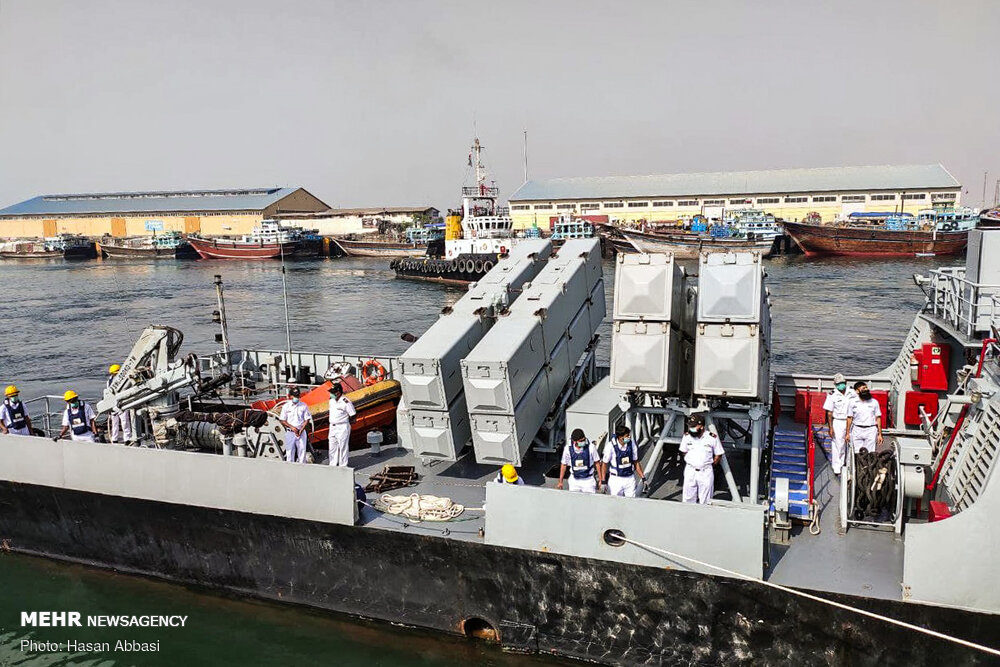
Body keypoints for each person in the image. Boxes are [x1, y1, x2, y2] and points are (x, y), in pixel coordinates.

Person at [678, 414, 724, 504]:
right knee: (688, 498)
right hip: (690, 470)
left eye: (693, 426)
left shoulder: (712, 437)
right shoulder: (687, 437)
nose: (691, 428)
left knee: (705, 500)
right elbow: (684, 451)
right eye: (690, 426)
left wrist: (709, 465)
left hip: (705, 472)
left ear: (702, 426)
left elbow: (718, 454)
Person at [822, 373, 856, 475]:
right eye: (838, 384)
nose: (840, 385)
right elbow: (829, 412)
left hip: (852, 420)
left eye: (842, 383)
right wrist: (830, 427)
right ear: (835, 384)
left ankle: (848, 464)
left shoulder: (852, 392)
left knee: (852, 443)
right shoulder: (832, 395)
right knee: (839, 444)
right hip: (839, 421)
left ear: (845, 382)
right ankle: (837, 466)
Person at [601, 424, 646, 497]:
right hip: (616, 480)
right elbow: (604, 464)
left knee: (631, 501)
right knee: (615, 501)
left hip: (629, 479)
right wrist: (603, 481)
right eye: (627, 436)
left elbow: (636, 462)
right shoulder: (610, 446)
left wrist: (643, 478)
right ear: (620, 437)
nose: (629, 437)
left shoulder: (632, 444)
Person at [557, 428, 602, 493]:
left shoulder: (591, 447)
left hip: (588, 481)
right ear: (575, 441)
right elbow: (564, 464)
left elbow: (597, 463)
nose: (583, 442)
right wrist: (560, 481)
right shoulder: (567, 449)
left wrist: (600, 480)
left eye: (584, 440)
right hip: (574, 481)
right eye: (581, 441)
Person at [278, 386, 313, 463]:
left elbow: (307, 419)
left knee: (302, 453)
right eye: (295, 396)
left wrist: (301, 429)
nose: (296, 398)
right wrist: (292, 427)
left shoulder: (303, 405)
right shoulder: (286, 406)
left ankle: (302, 468)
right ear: (290, 396)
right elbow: (282, 420)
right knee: (289, 453)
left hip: (301, 432)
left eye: (297, 396)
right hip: (290, 432)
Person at [846, 381, 883, 453]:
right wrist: (847, 433)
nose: (866, 389)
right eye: (863, 388)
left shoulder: (874, 402)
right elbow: (849, 418)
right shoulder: (852, 402)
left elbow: (878, 418)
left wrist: (880, 434)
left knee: (870, 453)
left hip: (871, 430)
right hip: (857, 430)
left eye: (866, 388)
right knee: (857, 453)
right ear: (857, 391)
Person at [327, 382, 356, 466]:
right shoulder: (331, 401)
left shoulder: (345, 401)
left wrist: (345, 422)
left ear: (338, 392)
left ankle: (343, 466)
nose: (331, 394)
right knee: (332, 447)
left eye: (333, 392)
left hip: (342, 426)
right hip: (332, 426)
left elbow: (353, 414)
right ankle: (332, 465)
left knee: (343, 447)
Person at [106, 363, 133, 444]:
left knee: (125, 422)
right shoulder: (109, 382)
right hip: (113, 404)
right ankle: (114, 438)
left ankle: (127, 438)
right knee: (114, 423)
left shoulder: (125, 380)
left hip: (122, 403)